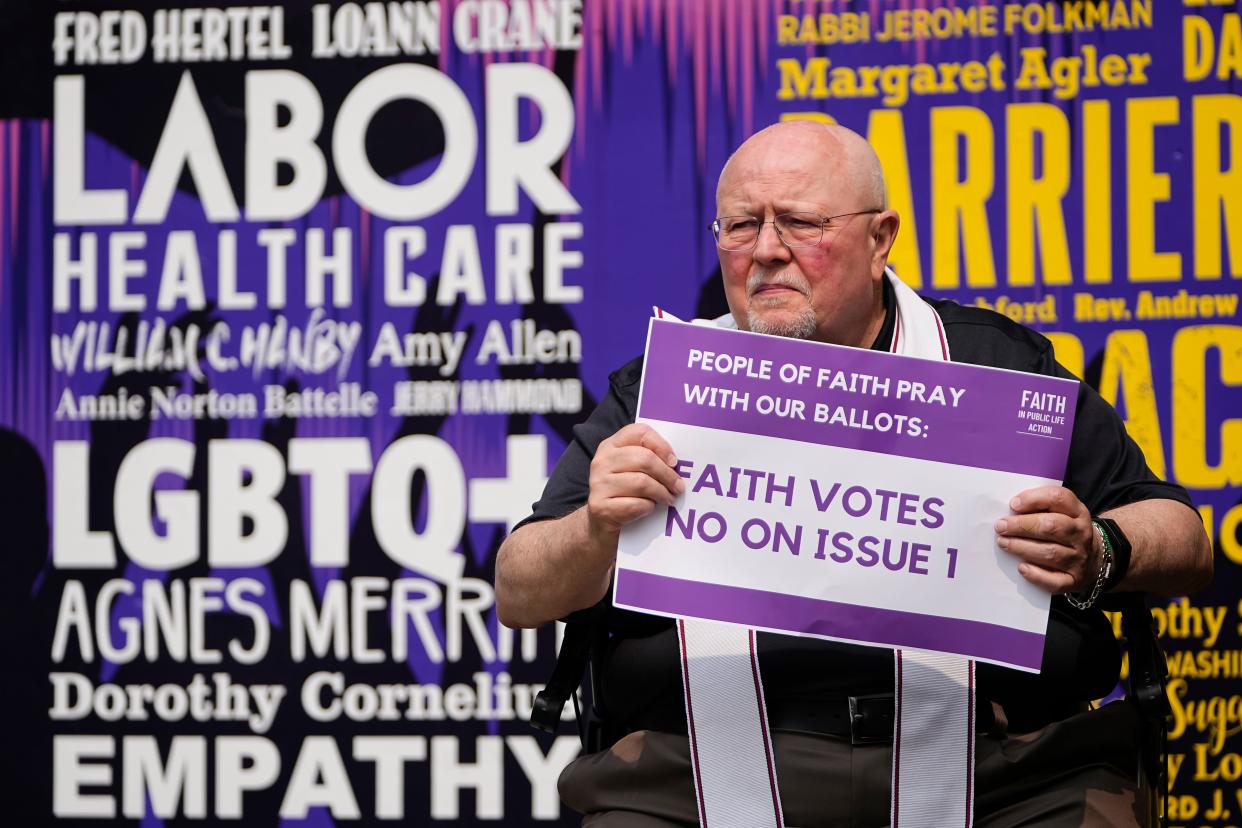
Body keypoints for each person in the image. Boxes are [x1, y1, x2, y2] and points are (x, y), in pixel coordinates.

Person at [495, 121, 1213, 827]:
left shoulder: (993, 370)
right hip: (694, 774)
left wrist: (1098, 552)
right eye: (741, 226)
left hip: (1007, 770)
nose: (767, 251)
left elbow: (1184, 539)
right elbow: (519, 590)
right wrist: (597, 528)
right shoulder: (661, 391)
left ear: (881, 240)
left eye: (800, 222)